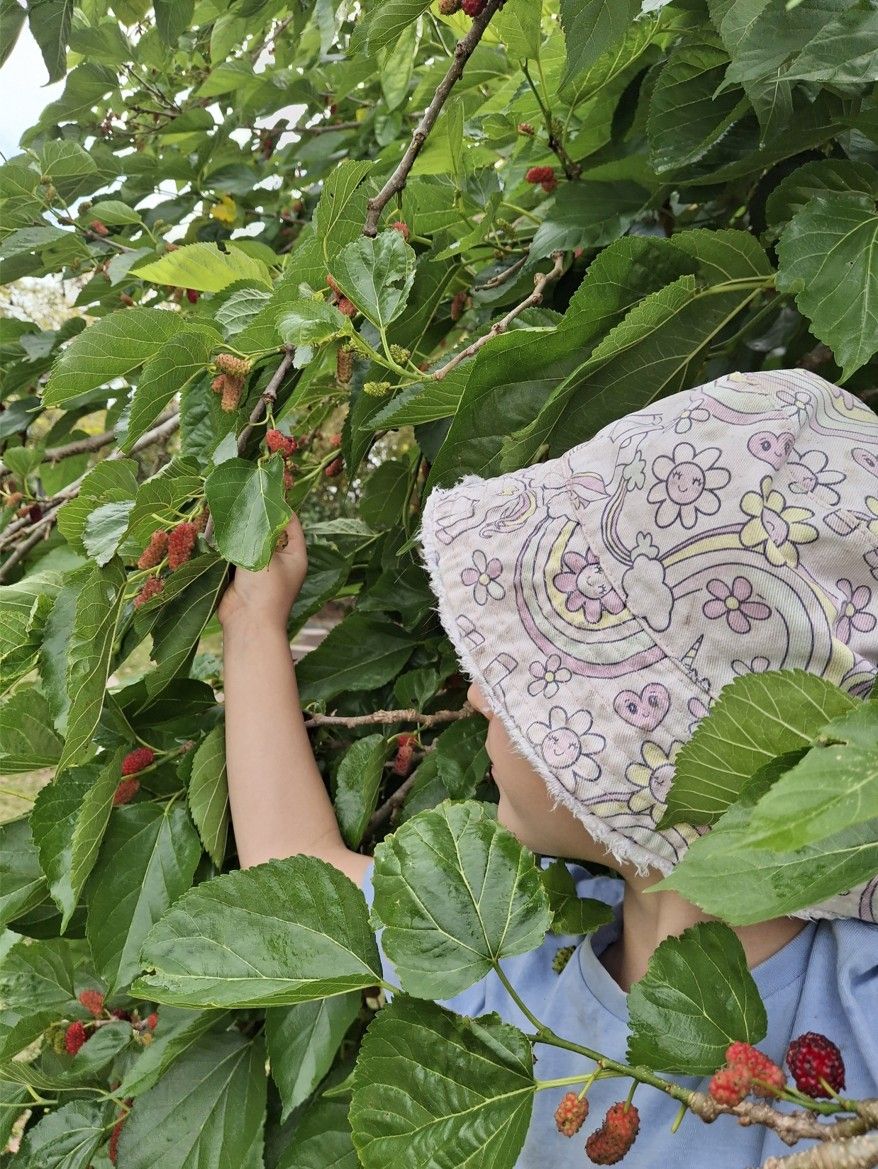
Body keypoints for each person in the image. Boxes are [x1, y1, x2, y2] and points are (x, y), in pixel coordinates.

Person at [218, 367, 878, 1167]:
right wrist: (253, 619)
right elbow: (301, 875)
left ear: (648, 753)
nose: (480, 696)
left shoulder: (857, 1003)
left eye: (534, 679)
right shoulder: (519, 944)